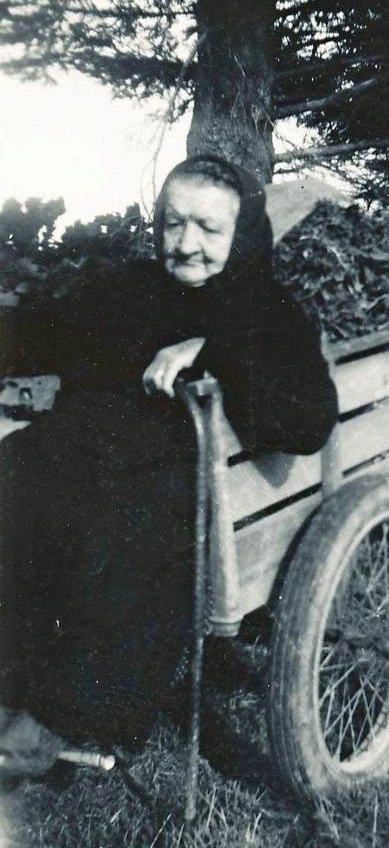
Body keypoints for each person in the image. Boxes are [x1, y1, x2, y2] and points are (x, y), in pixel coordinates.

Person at [0, 155, 338, 777]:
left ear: (242, 236)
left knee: (119, 527)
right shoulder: (127, 286)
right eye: (174, 222)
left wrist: (215, 349)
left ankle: (63, 719)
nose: (185, 244)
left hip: (175, 483)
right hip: (81, 452)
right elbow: (42, 334)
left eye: (208, 228)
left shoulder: (268, 313)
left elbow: (308, 421)